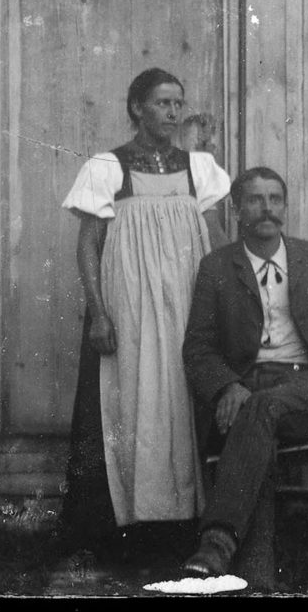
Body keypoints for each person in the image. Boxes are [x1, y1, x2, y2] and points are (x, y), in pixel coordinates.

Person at [55, 68, 230, 561]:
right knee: (132, 398)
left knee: (183, 394)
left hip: (189, 304)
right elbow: (89, 244)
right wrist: (99, 313)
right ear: (137, 108)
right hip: (131, 306)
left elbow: (216, 241)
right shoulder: (108, 166)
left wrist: (227, 305)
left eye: (178, 103)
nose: (173, 113)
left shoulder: (200, 167)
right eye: (161, 103)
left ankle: (191, 523)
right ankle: (129, 528)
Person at [179, 166, 308, 582]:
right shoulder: (217, 267)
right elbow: (198, 347)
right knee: (258, 416)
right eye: (255, 200)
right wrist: (227, 385)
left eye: (275, 199)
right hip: (251, 389)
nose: (267, 209)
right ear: (236, 210)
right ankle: (257, 575)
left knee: (255, 413)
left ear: (284, 206)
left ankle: (218, 542)